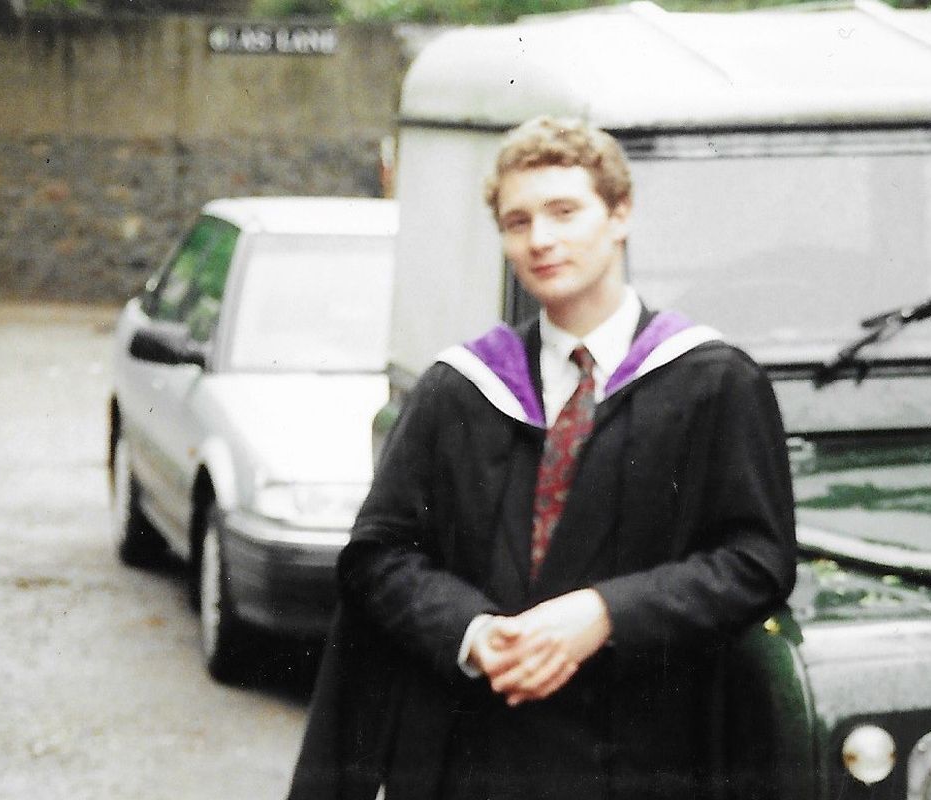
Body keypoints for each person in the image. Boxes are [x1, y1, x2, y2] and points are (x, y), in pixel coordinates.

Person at [287, 116, 797, 800]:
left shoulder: (712, 383)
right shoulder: (462, 388)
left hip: (645, 758)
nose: (542, 240)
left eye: (564, 211)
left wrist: (606, 614)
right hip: (476, 756)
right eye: (518, 221)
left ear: (620, 214)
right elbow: (378, 556)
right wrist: (469, 630)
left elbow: (756, 560)